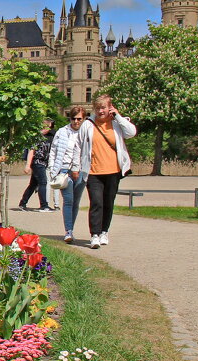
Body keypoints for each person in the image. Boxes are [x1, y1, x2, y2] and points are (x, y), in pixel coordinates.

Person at [76, 95, 137, 249]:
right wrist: (76, 167)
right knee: (96, 202)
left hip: (113, 170)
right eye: (97, 108)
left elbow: (131, 133)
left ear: (110, 107)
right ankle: (94, 235)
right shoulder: (88, 124)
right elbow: (79, 145)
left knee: (108, 202)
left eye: (103, 108)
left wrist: (118, 116)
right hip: (93, 171)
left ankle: (104, 231)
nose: (100, 111)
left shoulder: (117, 123)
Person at [47, 106, 87, 242]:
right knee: (68, 200)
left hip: (81, 170)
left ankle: (71, 228)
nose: (76, 121)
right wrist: (52, 168)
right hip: (64, 170)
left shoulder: (86, 132)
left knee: (76, 201)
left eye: (79, 119)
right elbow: (53, 150)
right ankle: (68, 231)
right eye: (73, 118)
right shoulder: (62, 132)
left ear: (84, 118)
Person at [17, 119, 55, 212]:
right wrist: (28, 165)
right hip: (37, 162)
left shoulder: (51, 136)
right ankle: (44, 205)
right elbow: (31, 151)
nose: (48, 129)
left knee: (33, 184)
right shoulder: (36, 137)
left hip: (44, 163)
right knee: (43, 182)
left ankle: (22, 203)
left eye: (49, 127)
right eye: (46, 126)